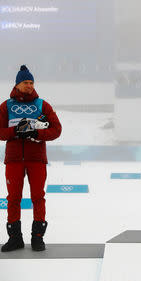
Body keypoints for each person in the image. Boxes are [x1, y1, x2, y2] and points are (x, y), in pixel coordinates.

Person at [0, 65, 62, 252]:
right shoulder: (6, 106)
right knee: (13, 199)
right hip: (14, 160)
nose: (29, 85)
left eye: (31, 82)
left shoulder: (42, 105)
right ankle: (15, 238)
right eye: (25, 82)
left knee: (38, 197)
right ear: (17, 84)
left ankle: (37, 238)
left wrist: (37, 132)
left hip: (36, 159)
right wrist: (15, 131)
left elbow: (57, 130)